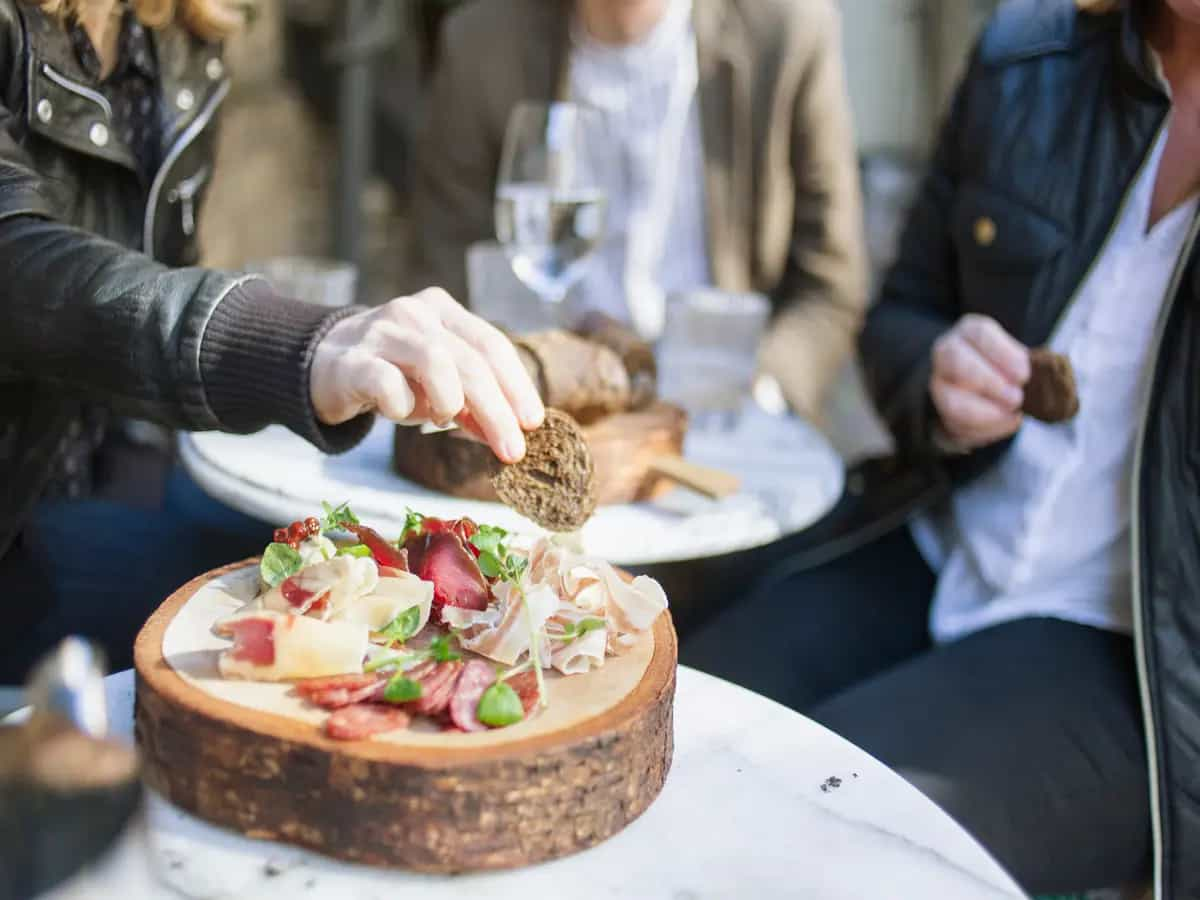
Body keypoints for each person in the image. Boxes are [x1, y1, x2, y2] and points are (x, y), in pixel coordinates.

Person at [682, 0, 1200, 894]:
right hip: (933, 540)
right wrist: (937, 378)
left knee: (807, 842)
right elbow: (900, 314)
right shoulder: (1026, 53)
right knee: (661, 721)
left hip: (1139, 659)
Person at [0, 0, 544, 682]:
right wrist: (302, 346)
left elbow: (149, 272)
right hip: (18, 526)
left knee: (388, 580)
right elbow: (19, 267)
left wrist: (136, 483)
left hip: (116, 475)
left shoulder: (178, 27)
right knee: (365, 636)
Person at [409, 0, 866, 422]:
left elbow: (832, 285)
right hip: (540, 405)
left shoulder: (788, 28)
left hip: (726, 415)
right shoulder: (482, 43)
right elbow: (447, 270)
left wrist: (761, 389)